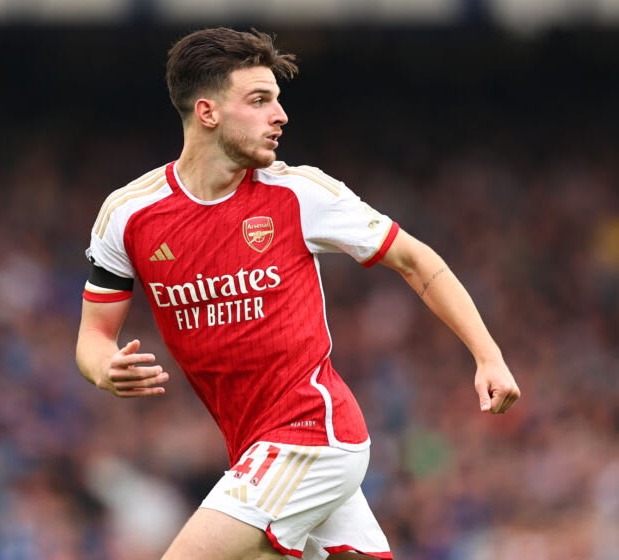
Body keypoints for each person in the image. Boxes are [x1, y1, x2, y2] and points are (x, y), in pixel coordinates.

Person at [75, 27, 520, 560]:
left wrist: (488, 357)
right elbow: (93, 338)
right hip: (253, 446)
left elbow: (417, 260)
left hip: (311, 434)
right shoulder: (129, 215)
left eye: (278, 101)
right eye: (260, 100)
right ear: (208, 112)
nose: (280, 115)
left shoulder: (299, 193)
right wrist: (103, 368)